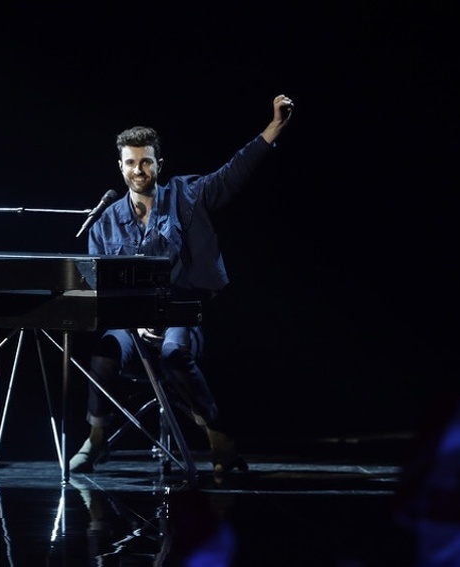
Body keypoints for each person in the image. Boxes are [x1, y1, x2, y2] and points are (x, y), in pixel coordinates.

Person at [69, 93, 295, 475]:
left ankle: (218, 437)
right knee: (104, 352)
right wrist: (134, 319)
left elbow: (233, 173)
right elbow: (98, 289)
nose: (138, 170)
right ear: (120, 167)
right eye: (130, 163)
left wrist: (273, 128)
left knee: (174, 353)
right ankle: (96, 437)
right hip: (131, 324)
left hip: (182, 318)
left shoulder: (186, 196)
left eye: (146, 161)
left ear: (159, 164)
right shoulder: (106, 220)